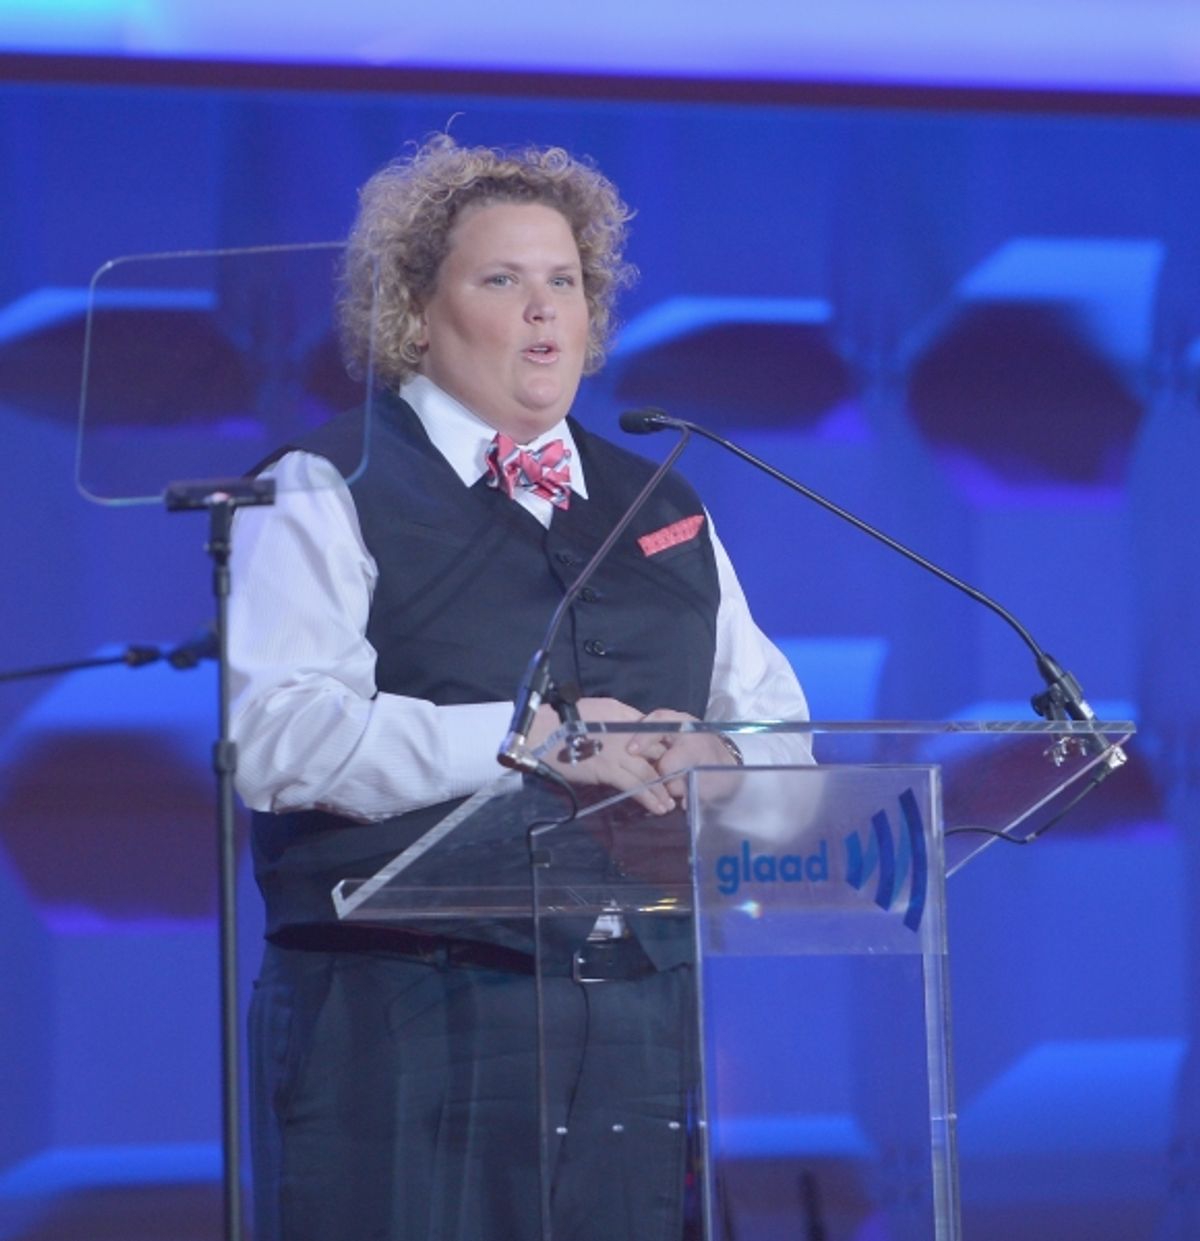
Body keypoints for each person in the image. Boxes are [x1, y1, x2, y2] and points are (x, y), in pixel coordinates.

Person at [229, 134, 810, 1241]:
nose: (545, 309)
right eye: (502, 279)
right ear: (414, 312)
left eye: (566, 281)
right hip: (398, 1019)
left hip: (632, 1016)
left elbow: (781, 732)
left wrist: (723, 763)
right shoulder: (321, 485)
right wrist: (524, 743)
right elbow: (277, 735)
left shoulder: (662, 499)